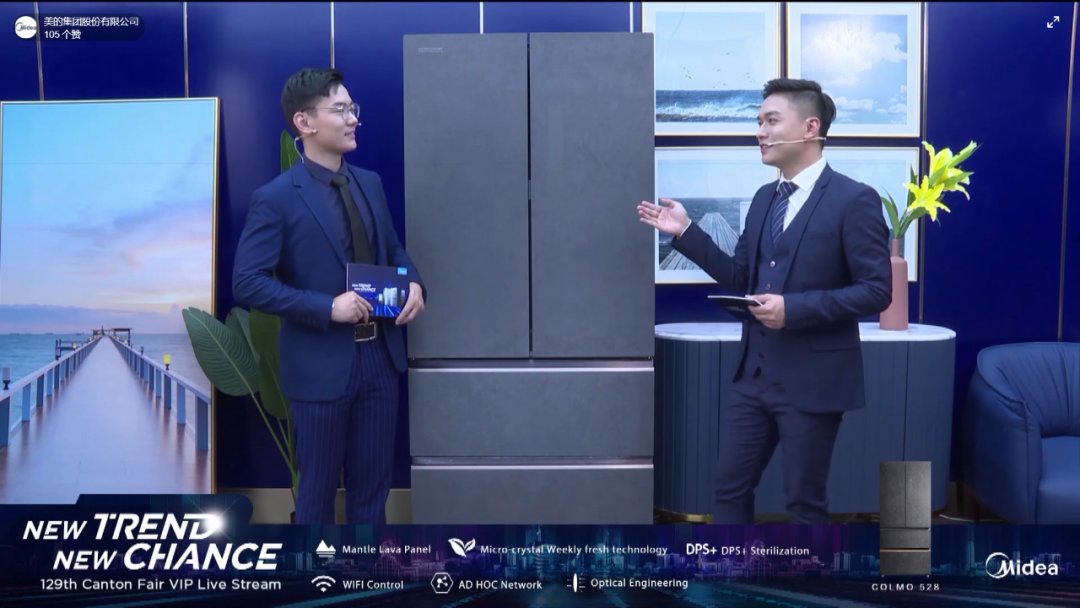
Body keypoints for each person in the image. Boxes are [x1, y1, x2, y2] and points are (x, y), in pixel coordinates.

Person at [637, 78, 891, 524]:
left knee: (804, 504)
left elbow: (876, 290)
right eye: (758, 122)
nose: (760, 132)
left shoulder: (855, 200)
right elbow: (741, 277)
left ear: (810, 127)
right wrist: (685, 232)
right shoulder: (762, 199)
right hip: (752, 380)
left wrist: (793, 310)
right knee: (727, 489)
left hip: (814, 382)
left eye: (771, 121)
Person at [232, 67, 426, 525]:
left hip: (379, 358)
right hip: (318, 365)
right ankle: (312, 569)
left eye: (352, 108)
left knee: (372, 492)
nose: (353, 118)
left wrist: (415, 283)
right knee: (316, 495)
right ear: (304, 122)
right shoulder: (276, 198)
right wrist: (327, 307)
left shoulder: (369, 182)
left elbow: (392, 248)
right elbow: (248, 282)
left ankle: (364, 567)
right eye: (340, 110)